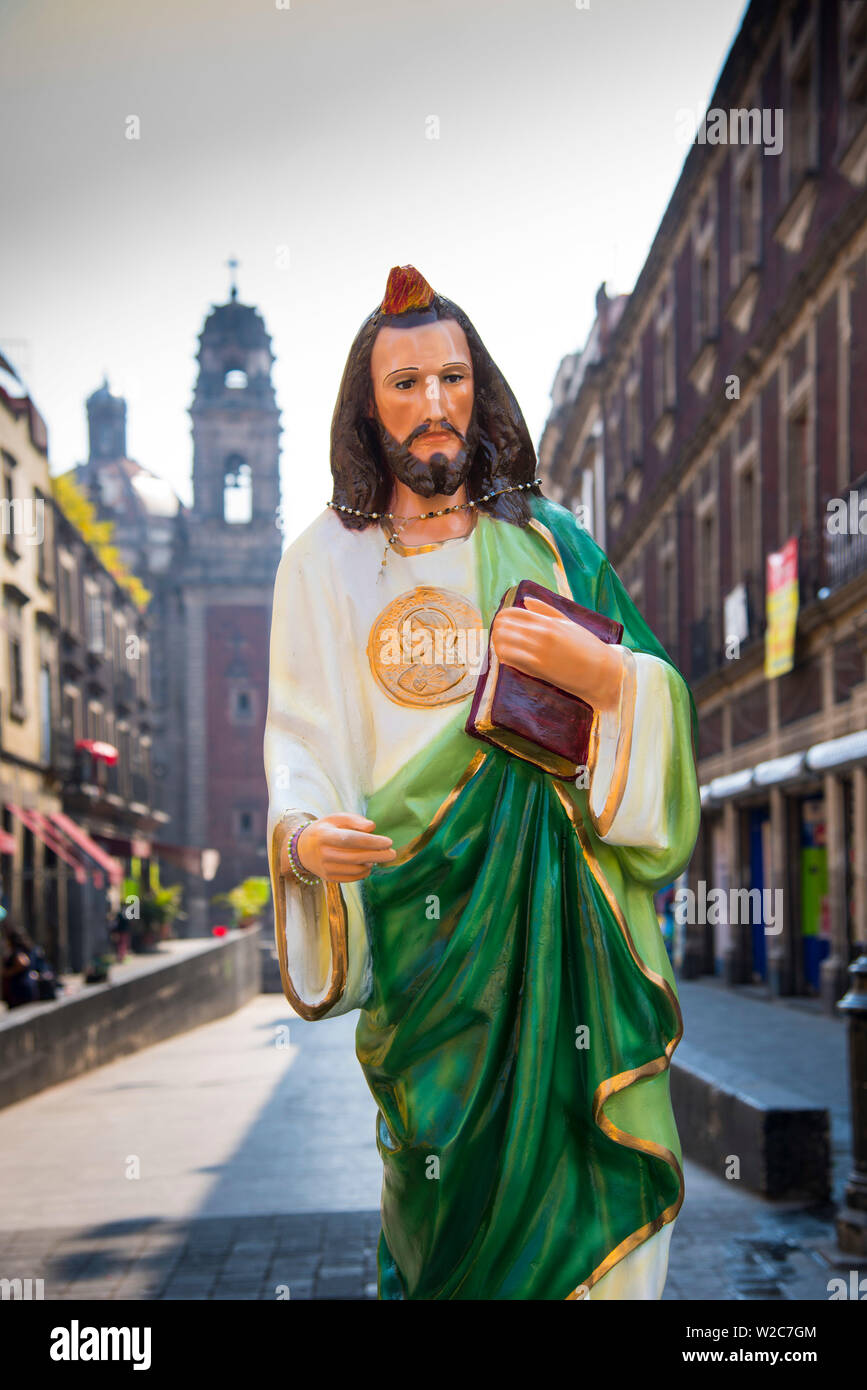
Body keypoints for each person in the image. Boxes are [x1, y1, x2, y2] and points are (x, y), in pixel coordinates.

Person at [264, 265, 700, 1300]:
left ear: (481, 389)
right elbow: (300, 738)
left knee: (580, 1189)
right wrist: (300, 839)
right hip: (426, 948)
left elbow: (659, 697)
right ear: (367, 407)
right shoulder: (322, 562)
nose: (433, 405)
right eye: (405, 383)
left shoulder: (547, 542)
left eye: (452, 378)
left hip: (566, 932)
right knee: (439, 1196)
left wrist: (605, 678)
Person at [1, 925, 39, 1010]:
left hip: (19, 988)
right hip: (26, 986)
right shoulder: (27, 949)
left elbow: (23, 963)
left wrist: (8, 972)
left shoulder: (17, 951)